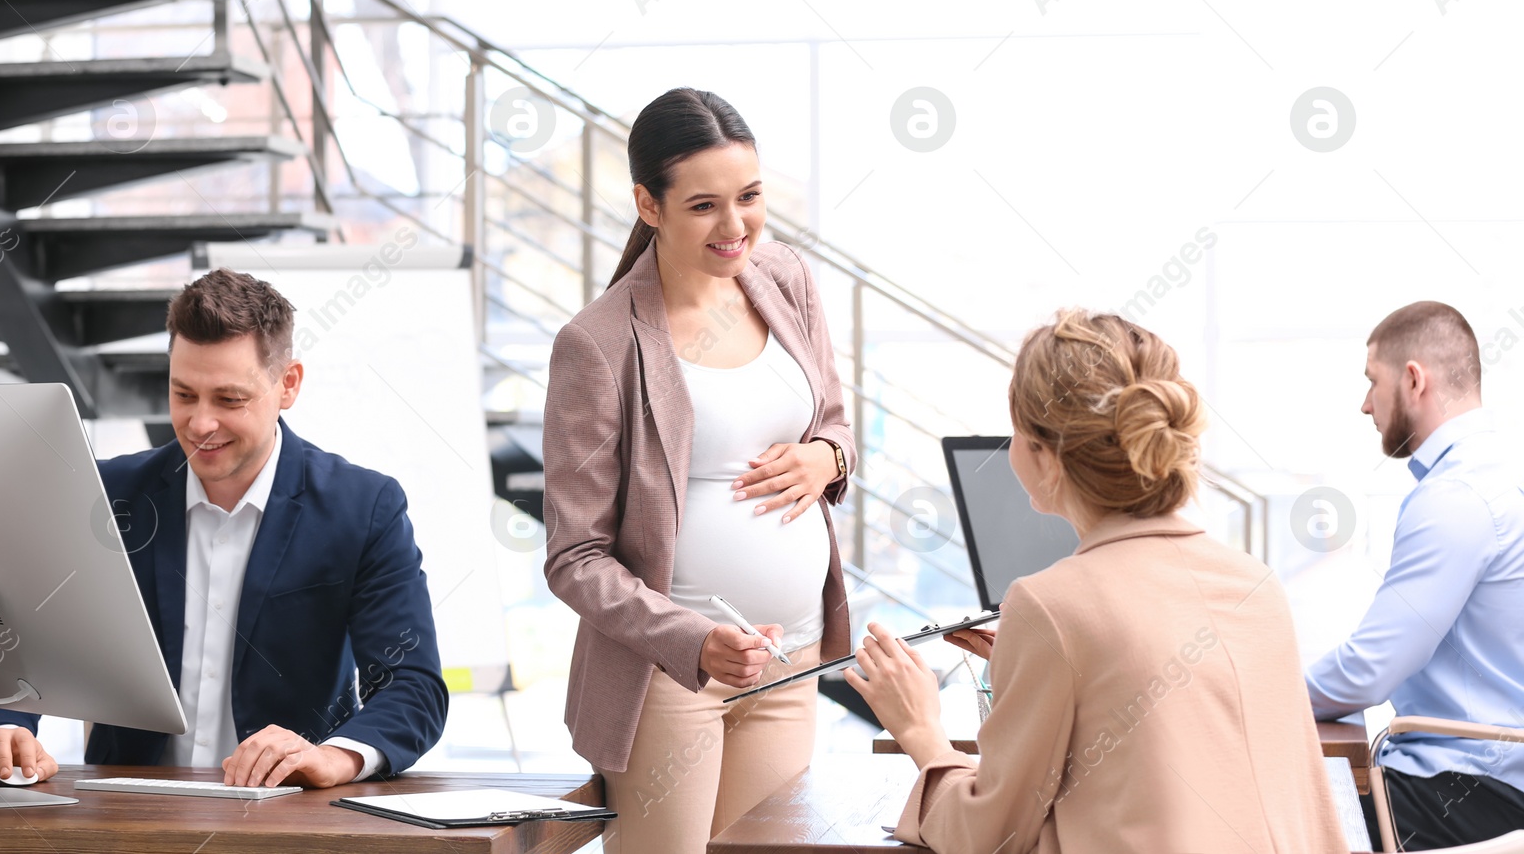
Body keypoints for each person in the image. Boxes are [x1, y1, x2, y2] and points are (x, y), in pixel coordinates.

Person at [847, 309, 1346, 854]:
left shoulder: (1049, 606)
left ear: (1046, 455)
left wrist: (920, 729)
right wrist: (1047, 671)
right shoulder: (1257, 584)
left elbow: (989, 835)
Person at [0, 268, 447, 788]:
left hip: (287, 817)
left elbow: (412, 685)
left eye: (229, 399)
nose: (200, 424)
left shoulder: (363, 507)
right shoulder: (106, 495)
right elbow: (17, 638)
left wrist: (336, 757)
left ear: (288, 385)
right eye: (184, 394)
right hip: (126, 814)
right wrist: (4, 728)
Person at [542, 87, 854, 854]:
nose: (735, 225)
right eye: (704, 205)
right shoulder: (599, 343)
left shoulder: (786, 280)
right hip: (668, 679)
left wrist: (828, 456)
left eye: (749, 197)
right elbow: (574, 557)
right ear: (649, 205)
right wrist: (692, 639)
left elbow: (837, 422)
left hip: (794, 656)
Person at [1308, 301, 1524, 850]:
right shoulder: (1497, 472)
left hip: (1471, 784)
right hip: (1494, 775)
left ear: (1412, 380)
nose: (1364, 404)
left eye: (1371, 382)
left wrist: (1259, 692)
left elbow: (1369, 673)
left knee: (1269, 814)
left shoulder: (1457, 496)